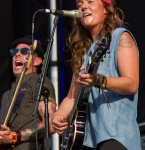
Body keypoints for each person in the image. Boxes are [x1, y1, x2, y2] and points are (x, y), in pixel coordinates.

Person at [52, 0, 141, 150]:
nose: (84, 6)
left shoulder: (120, 37)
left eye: (90, 2)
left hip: (116, 135)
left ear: (106, 9)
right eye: (80, 5)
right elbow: (71, 97)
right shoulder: (84, 51)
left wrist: (98, 80)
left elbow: (131, 84)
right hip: (88, 139)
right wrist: (57, 116)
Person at [0, 35, 56, 150]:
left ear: (37, 61)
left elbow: (50, 124)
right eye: (14, 52)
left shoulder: (39, 82)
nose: (17, 54)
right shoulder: (6, 95)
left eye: (24, 51)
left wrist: (14, 137)